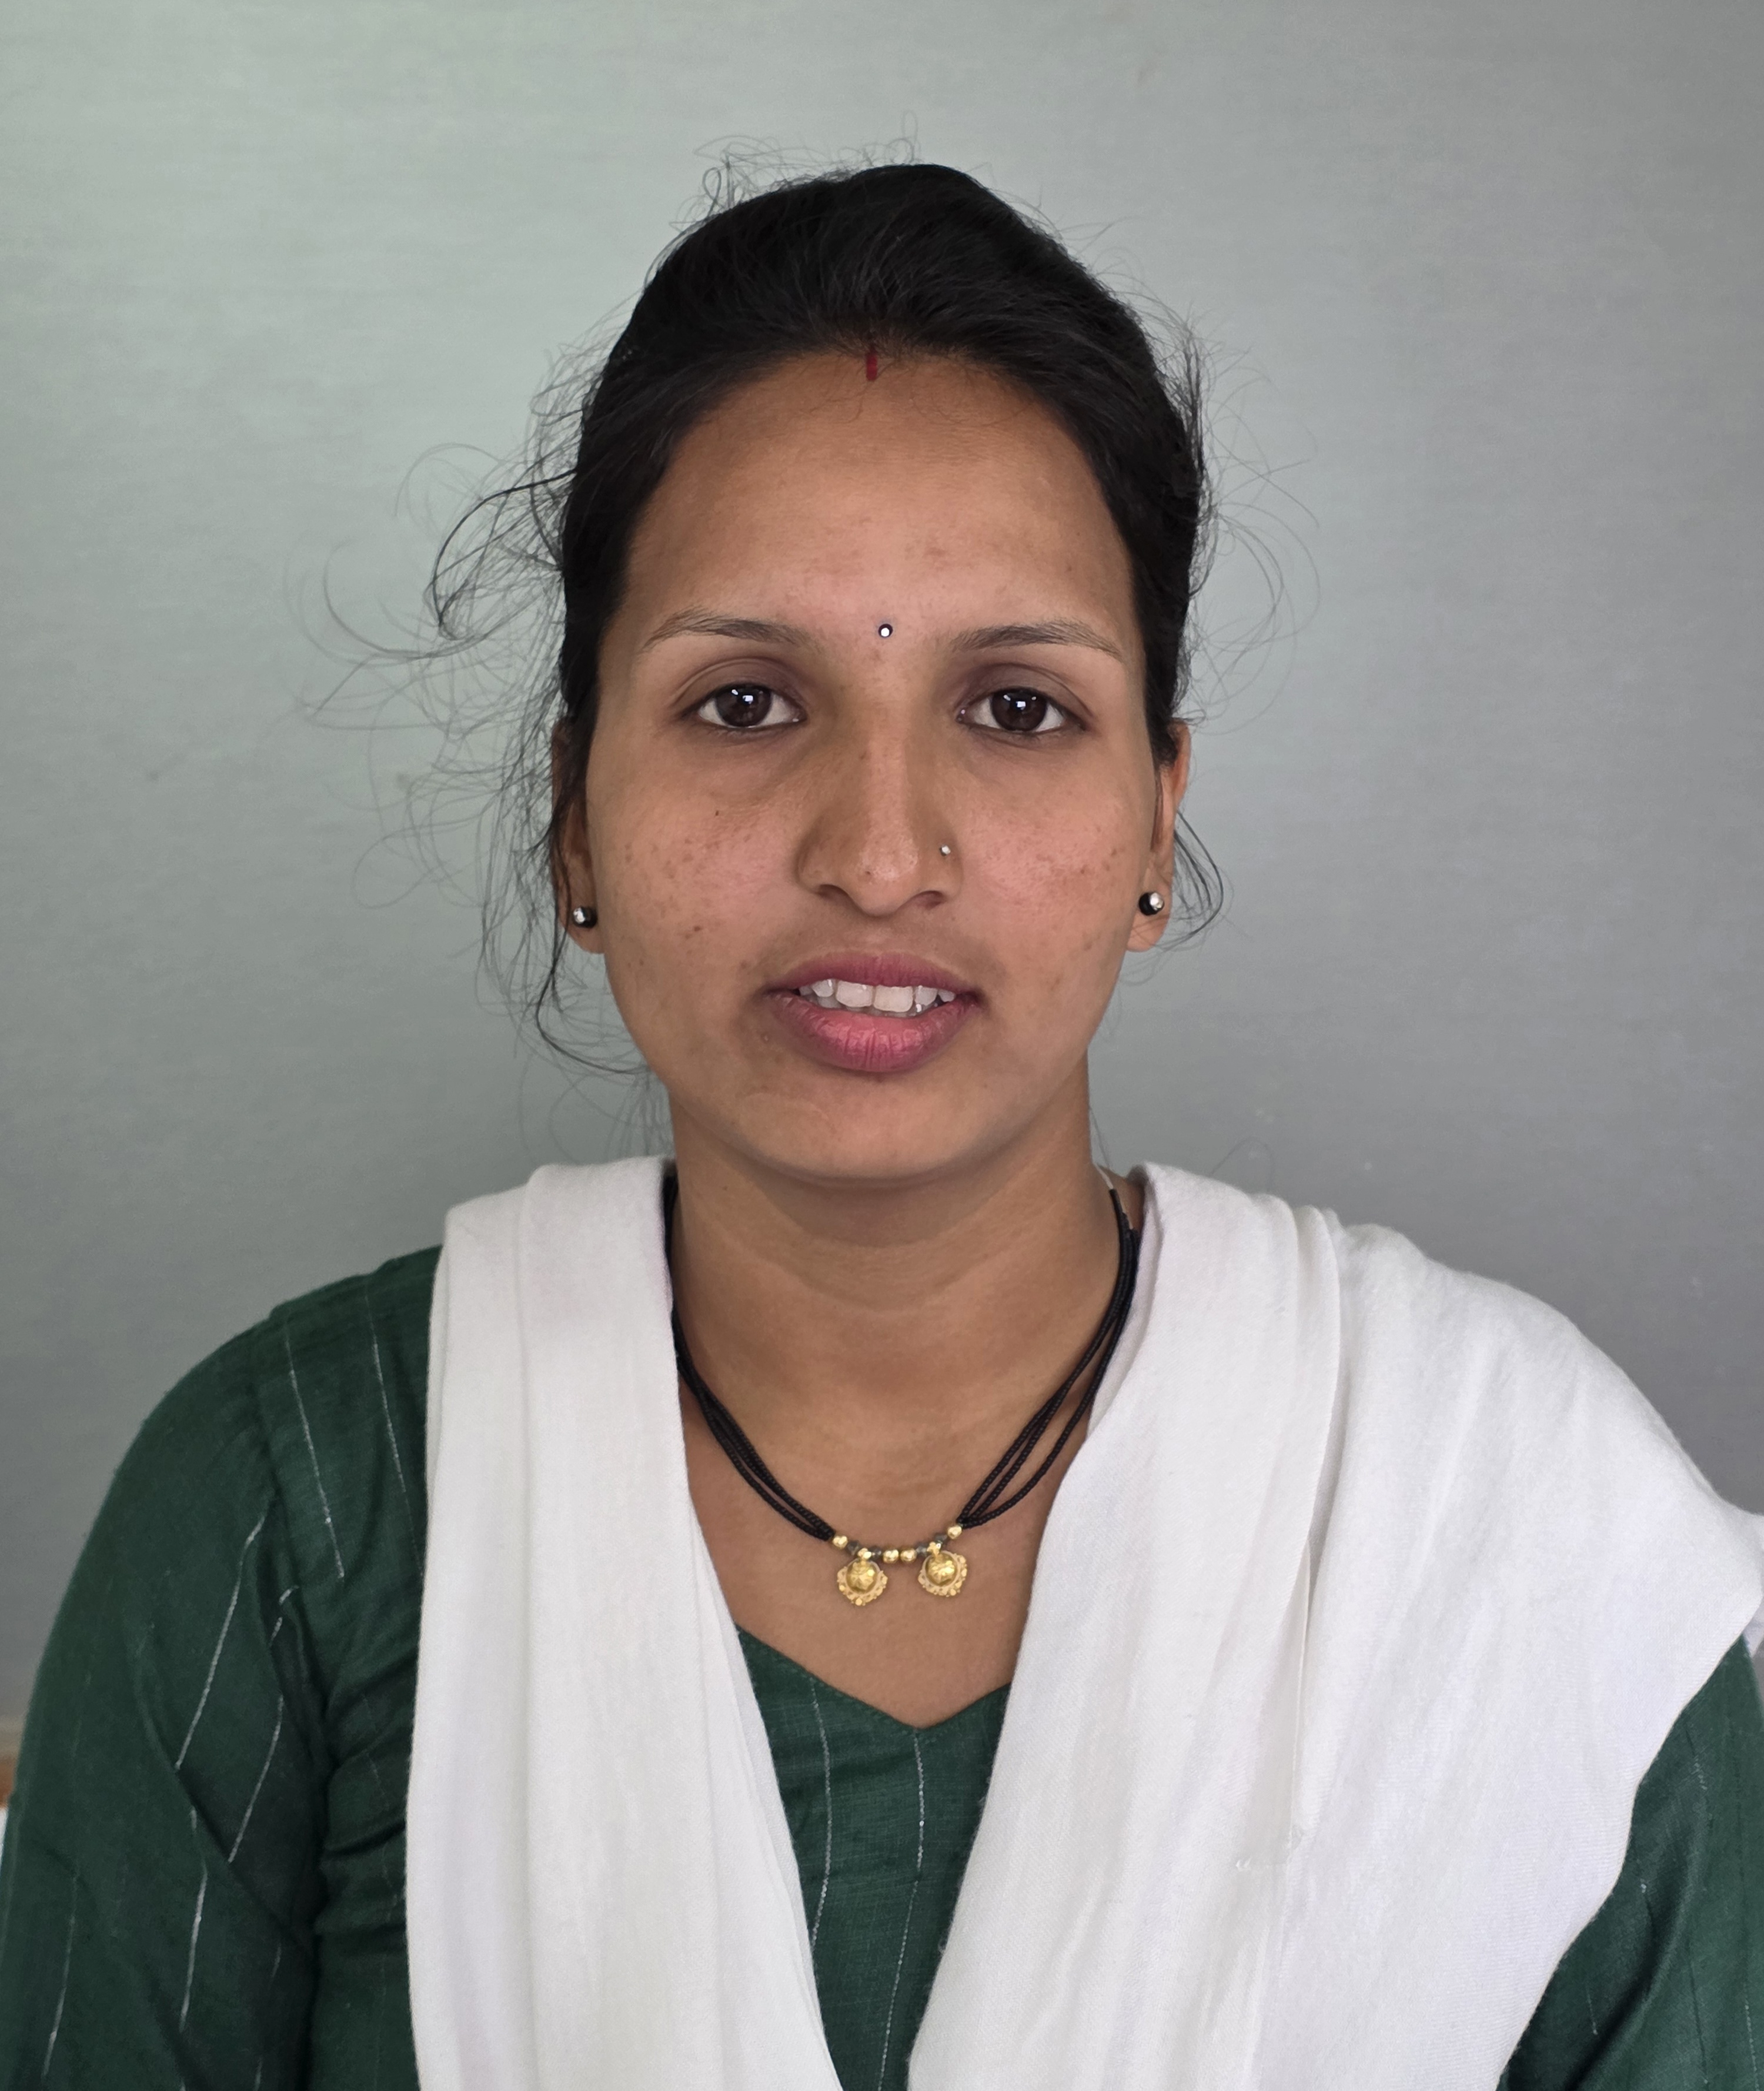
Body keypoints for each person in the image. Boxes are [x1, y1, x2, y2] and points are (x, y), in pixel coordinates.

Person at [0, 162, 1759, 2091]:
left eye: (1016, 709)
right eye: (748, 702)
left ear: (1157, 815)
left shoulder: (1510, 1524)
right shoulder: (292, 1516)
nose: (879, 852)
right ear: (577, 812)